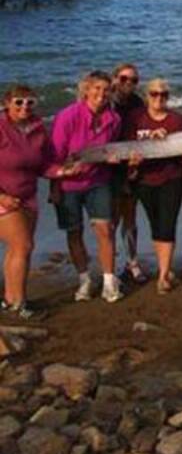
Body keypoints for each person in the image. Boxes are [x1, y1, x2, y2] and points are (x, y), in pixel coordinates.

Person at [0, 86, 80, 319]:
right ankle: (19, 304)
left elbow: (44, 165)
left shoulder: (37, 129)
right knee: (23, 246)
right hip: (4, 197)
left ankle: (10, 299)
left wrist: (64, 172)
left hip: (28, 197)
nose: (24, 106)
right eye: (18, 102)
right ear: (7, 104)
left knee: (17, 249)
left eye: (29, 102)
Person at [51, 70, 123, 303]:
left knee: (105, 229)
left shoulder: (114, 119)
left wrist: (114, 159)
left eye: (106, 90)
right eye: (96, 88)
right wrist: (55, 186)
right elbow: (56, 155)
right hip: (68, 183)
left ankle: (110, 282)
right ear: (86, 90)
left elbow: (111, 150)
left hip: (98, 181)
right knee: (74, 232)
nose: (101, 94)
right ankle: (85, 279)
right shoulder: (67, 116)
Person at [124, 79, 182, 294]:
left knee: (167, 224)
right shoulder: (135, 118)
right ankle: (165, 266)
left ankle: (163, 276)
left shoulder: (177, 120)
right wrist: (131, 162)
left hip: (171, 178)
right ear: (146, 96)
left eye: (163, 94)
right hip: (144, 180)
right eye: (154, 94)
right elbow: (127, 146)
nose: (159, 98)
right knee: (155, 224)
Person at [109, 63, 147, 285]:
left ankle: (132, 262)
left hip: (130, 163)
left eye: (133, 80)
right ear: (115, 79)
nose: (128, 84)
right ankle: (110, 267)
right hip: (108, 167)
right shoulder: (105, 101)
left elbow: (141, 132)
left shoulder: (137, 103)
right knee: (111, 219)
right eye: (123, 79)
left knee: (130, 216)